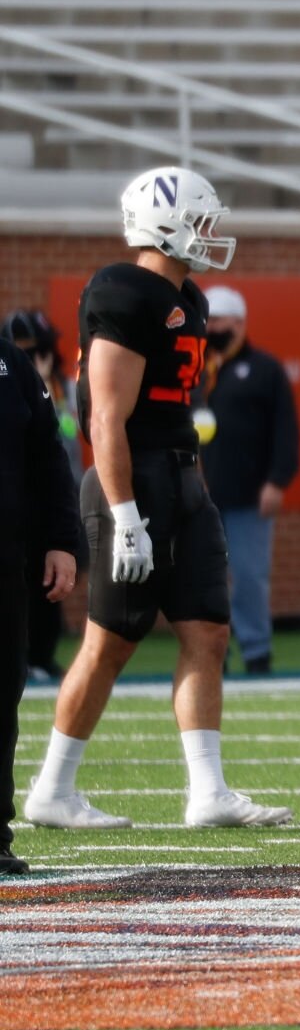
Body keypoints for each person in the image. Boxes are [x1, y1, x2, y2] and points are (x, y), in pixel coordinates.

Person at [24, 166, 292, 832]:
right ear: (167, 223)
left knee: (209, 630)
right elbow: (105, 417)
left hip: (181, 478)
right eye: (201, 220)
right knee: (111, 641)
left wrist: (191, 486)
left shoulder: (191, 299)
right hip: (131, 482)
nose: (210, 234)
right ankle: (52, 789)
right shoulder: (121, 289)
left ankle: (209, 791)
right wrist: (124, 515)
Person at [1, 332, 86, 873]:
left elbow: (49, 456)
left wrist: (61, 539)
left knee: (2, 690)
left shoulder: (10, 362)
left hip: (6, 558)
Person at [197, 285, 300, 677]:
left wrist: (276, 481)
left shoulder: (265, 370)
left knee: (249, 575)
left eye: (219, 321)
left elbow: (286, 431)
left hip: (248, 495)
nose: (212, 328)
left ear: (238, 323)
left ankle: (257, 650)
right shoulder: (197, 370)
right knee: (207, 580)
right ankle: (212, 652)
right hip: (202, 497)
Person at [6, 309, 81, 681]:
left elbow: (57, 448)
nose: (33, 358)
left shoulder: (61, 387)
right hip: (24, 508)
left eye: (38, 351)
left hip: (53, 503)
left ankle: (42, 655)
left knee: (46, 589)